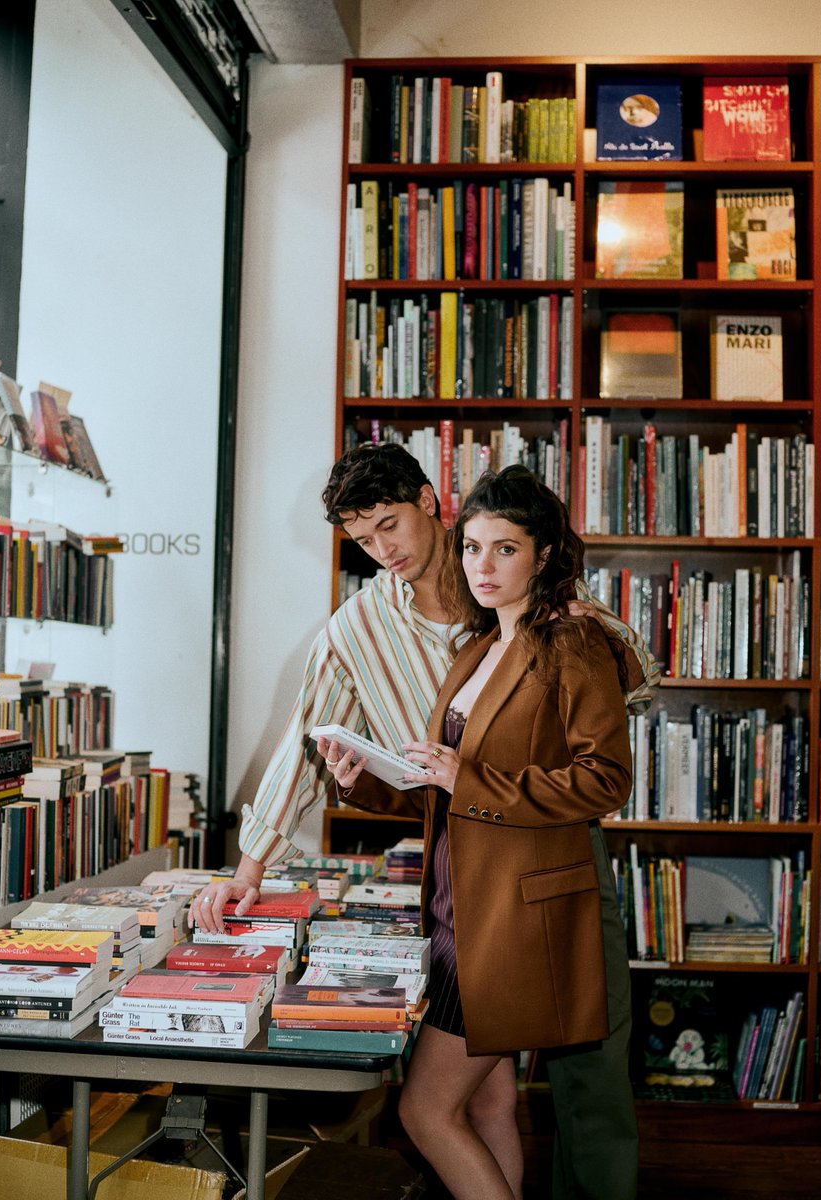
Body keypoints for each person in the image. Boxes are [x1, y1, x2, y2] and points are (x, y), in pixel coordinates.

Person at [189, 445, 653, 1197]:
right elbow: (327, 749)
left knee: (584, 1081)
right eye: (363, 540)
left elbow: (611, 731)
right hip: (456, 882)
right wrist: (279, 847)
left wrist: (575, 617)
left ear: (431, 500)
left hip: (549, 859)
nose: (383, 551)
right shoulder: (382, 631)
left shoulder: (545, 619)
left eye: (390, 525)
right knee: (489, 1095)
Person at [317, 465, 637, 1200]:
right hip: (457, 906)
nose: (482, 567)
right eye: (472, 548)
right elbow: (444, 790)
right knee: (489, 1102)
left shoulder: (573, 646)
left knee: (426, 1109)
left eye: (504, 549)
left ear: (545, 554)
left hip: (510, 919)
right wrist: (360, 778)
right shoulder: (475, 647)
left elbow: (604, 782)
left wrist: (471, 780)